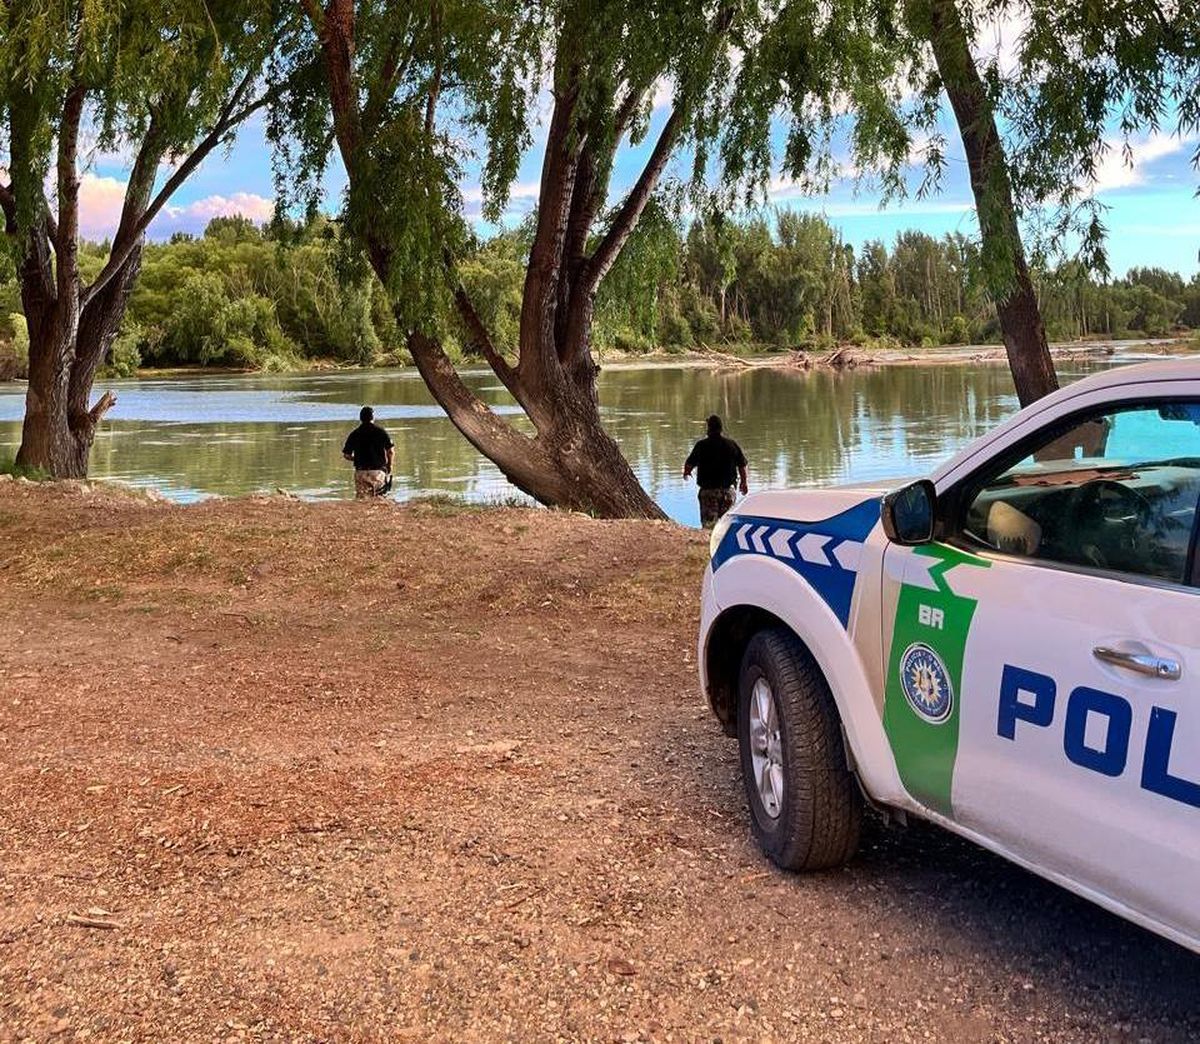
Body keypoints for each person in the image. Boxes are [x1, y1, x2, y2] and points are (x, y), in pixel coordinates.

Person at [683, 414, 748, 527]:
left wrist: (687, 472)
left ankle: (710, 537)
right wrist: (744, 482)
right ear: (721, 428)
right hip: (728, 492)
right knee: (726, 526)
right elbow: (742, 465)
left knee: (709, 526)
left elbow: (689, 464)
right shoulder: (731, 444)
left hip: (708, 492)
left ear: (709, 428)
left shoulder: (701, 445)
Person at [342, 406, 394, 499]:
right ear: (373, 417)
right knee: (379, 499)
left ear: (360, 418)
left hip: (361, 472)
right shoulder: (381, 432)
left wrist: (357, 458)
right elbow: (390, 451)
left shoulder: (354, 433)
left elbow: (346, 455)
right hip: (377, 472)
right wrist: (389, 465)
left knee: (362, 500)